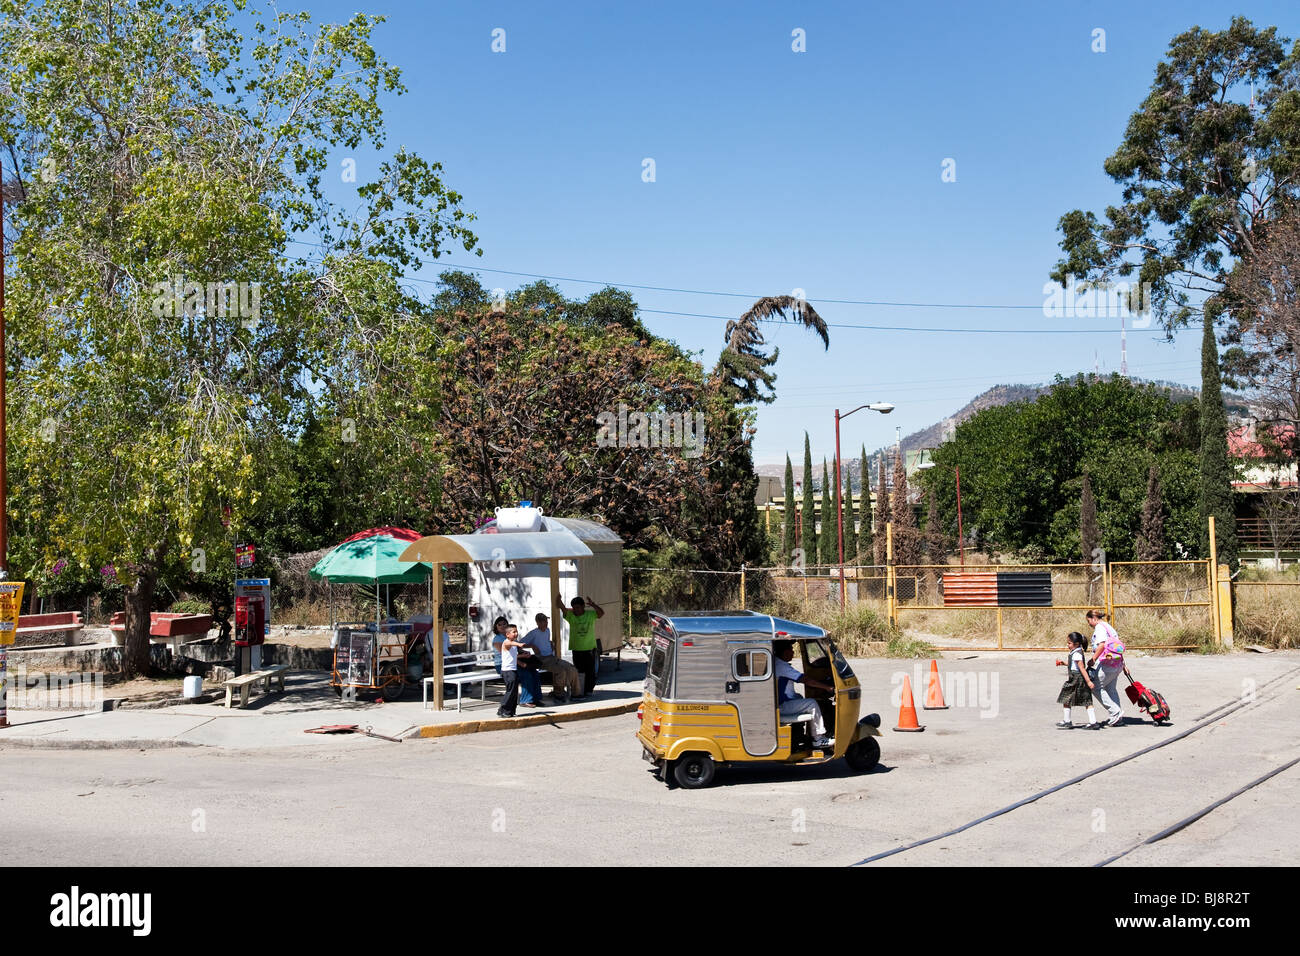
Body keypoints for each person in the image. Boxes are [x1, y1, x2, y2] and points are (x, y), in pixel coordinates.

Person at [774, 640, 835, 749]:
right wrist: (827, 687)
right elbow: (805, 680)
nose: (793, 652)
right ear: (784, 652)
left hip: (781, 703)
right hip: (782, 706)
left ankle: (803, 734)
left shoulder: (777, 663)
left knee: (800, 698)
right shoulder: (781, 666)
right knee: (812, 703)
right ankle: (818, 739)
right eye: (791, 650)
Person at [522, 612, 581, 704]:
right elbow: (521, 643)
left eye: (546, 621)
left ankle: (576, 693)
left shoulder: (547, 630)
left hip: (551, 657)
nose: (545, 624)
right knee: (560, 671)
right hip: (541, 659)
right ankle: (558, 694)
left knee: (571, 668)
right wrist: (532, 646)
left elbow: (545, 640)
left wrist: (550, 643)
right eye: (543, 622)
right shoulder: (534, 633)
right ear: (537, 622)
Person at [557, 594, 604, 699]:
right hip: (577, 649)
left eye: (578, 607)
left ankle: (588, 690)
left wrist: (593, 605)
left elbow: (601, 613)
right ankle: (579, 690)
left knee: (590, 672)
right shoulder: (571, 616)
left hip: (589, 649)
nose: (576, 610)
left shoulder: (590, 614)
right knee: (578, 672)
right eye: (574, 608)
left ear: (583, 607)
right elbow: (562, 608)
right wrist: (558, 598)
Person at [1085, 610, 1126, 727]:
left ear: (1093, 618)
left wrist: (1093, 659)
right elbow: (1117, 647)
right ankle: (1116, 717)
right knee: (1110, 688)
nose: (1089, 624)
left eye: (1089, 621)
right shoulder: (1109, 627)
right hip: (1116, 664)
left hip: (1106, 664)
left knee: (1096, 687)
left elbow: (1102, 645)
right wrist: (1123, 665)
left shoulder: (1099, 628)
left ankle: (1115, 712)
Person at [1055, 631, 1100, 729]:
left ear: (1076, 644)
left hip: (1078, 679)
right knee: (1067, 698)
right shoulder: (1076, 652)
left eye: (1069, 643)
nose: (1068, 645)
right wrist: (1064, 663)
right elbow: (1074, 665)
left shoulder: (1077, 654)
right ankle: (1067, 720)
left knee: (1086, 699)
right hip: (1074, 679)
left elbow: (1082, 668)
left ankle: (1093, 722)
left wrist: (1088, 681)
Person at [495, 623, 528, 718]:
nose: (516, 633)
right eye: (513, 632)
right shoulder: (506, 642)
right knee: (510, 691)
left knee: (514, 691)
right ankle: (503, 710)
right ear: (507, 634)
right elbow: (510, 643)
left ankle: (510, 710)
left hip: (513, 670)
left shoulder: (513, 644)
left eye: (516, 631)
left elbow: (514, 657)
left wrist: (523, 659)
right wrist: (519, 644)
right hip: (507, 671)